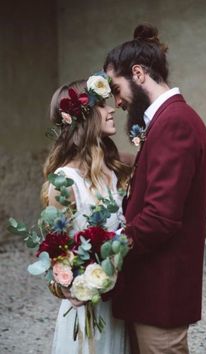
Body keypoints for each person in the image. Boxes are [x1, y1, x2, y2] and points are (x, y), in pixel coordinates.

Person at [104, 24, 206, 354]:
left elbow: (161, 218)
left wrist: (105, 250)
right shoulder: (165, 120)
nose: (117, 101)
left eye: (116, 88)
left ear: (138, 73)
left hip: (161, 293)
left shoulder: (174, 122)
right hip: (151, 291)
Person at [41, 74, 131, 354]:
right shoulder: (63, 183)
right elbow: (55, 254)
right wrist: (70, 285)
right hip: (87, 310)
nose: (112, 108)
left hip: (120, 305)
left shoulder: (117, 170)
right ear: (84, 117)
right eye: (103, 105)